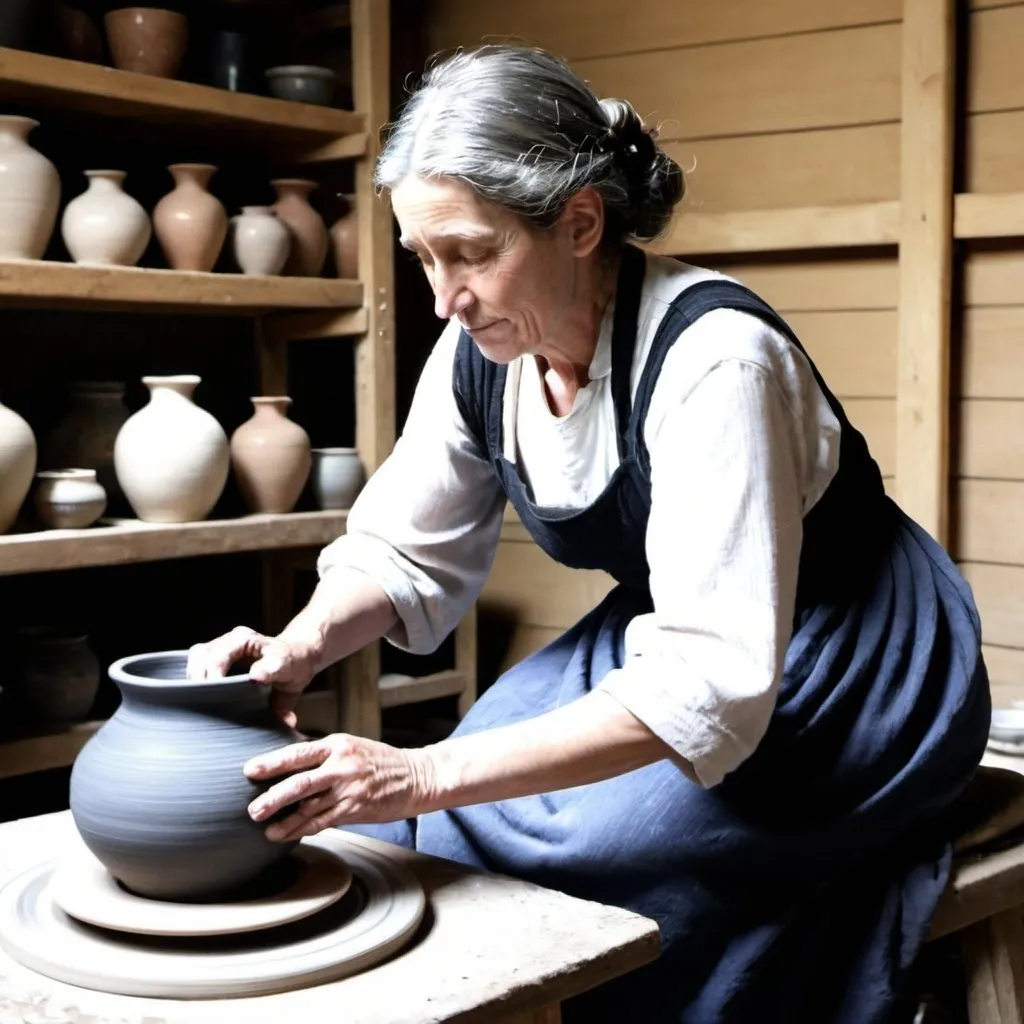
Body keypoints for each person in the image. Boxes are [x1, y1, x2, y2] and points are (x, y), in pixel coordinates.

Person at [188, 44, 991, 1023]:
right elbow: (405, 544)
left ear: (579, 221)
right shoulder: (480, 346)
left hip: (848, 648)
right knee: (441, 836)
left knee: (624, 865)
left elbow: (711, 682)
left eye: (472, 253)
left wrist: (418, 769)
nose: (444, 297)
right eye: (424, 259)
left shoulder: (714, 360)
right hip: (677, 623)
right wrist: (300, 645)